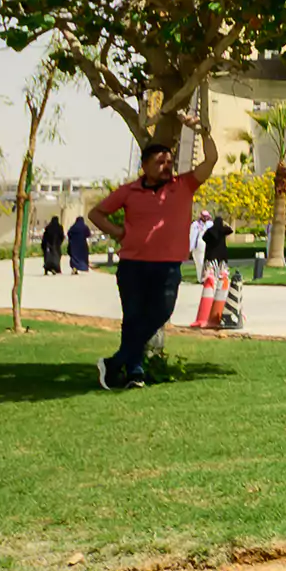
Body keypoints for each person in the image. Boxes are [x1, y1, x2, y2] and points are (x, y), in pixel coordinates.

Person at [88, 111, 217, 390]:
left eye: (170, 162)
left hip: (168, 267)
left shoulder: (184, 185)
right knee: (133, 318)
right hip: (133, 265)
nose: (167, 166)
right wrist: (119, 233)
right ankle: (134, 371)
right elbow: (96, 213)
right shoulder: (128, 191)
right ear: (144, 165)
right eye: (160, 162)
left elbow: (211, 160)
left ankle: (115, 362)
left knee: (160, 313)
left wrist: (203, 132)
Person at [188, 210, 213, 284]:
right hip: (207, 244)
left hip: (199, 244)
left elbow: (193, 237)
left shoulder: (196, 225)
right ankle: (207, 277)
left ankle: (201, 278)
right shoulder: (210, 224)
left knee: (199, 262)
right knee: (206, 262)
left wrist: (190, 248)